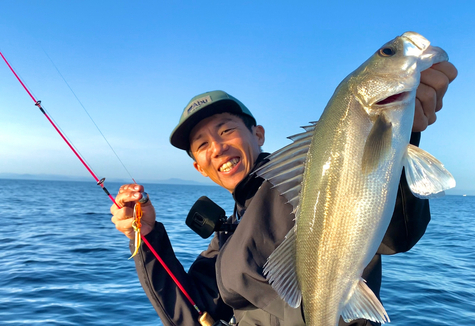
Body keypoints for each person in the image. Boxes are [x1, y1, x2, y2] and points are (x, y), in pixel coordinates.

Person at [111, 62, 457, 326]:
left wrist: (397, 137)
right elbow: (188, 313)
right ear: (199, 167)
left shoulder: (306, 183)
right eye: (201, 145)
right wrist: (145, 234)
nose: (216, 147)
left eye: (226, 130)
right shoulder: (226, 235)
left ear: (258, 134)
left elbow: (395, 234)